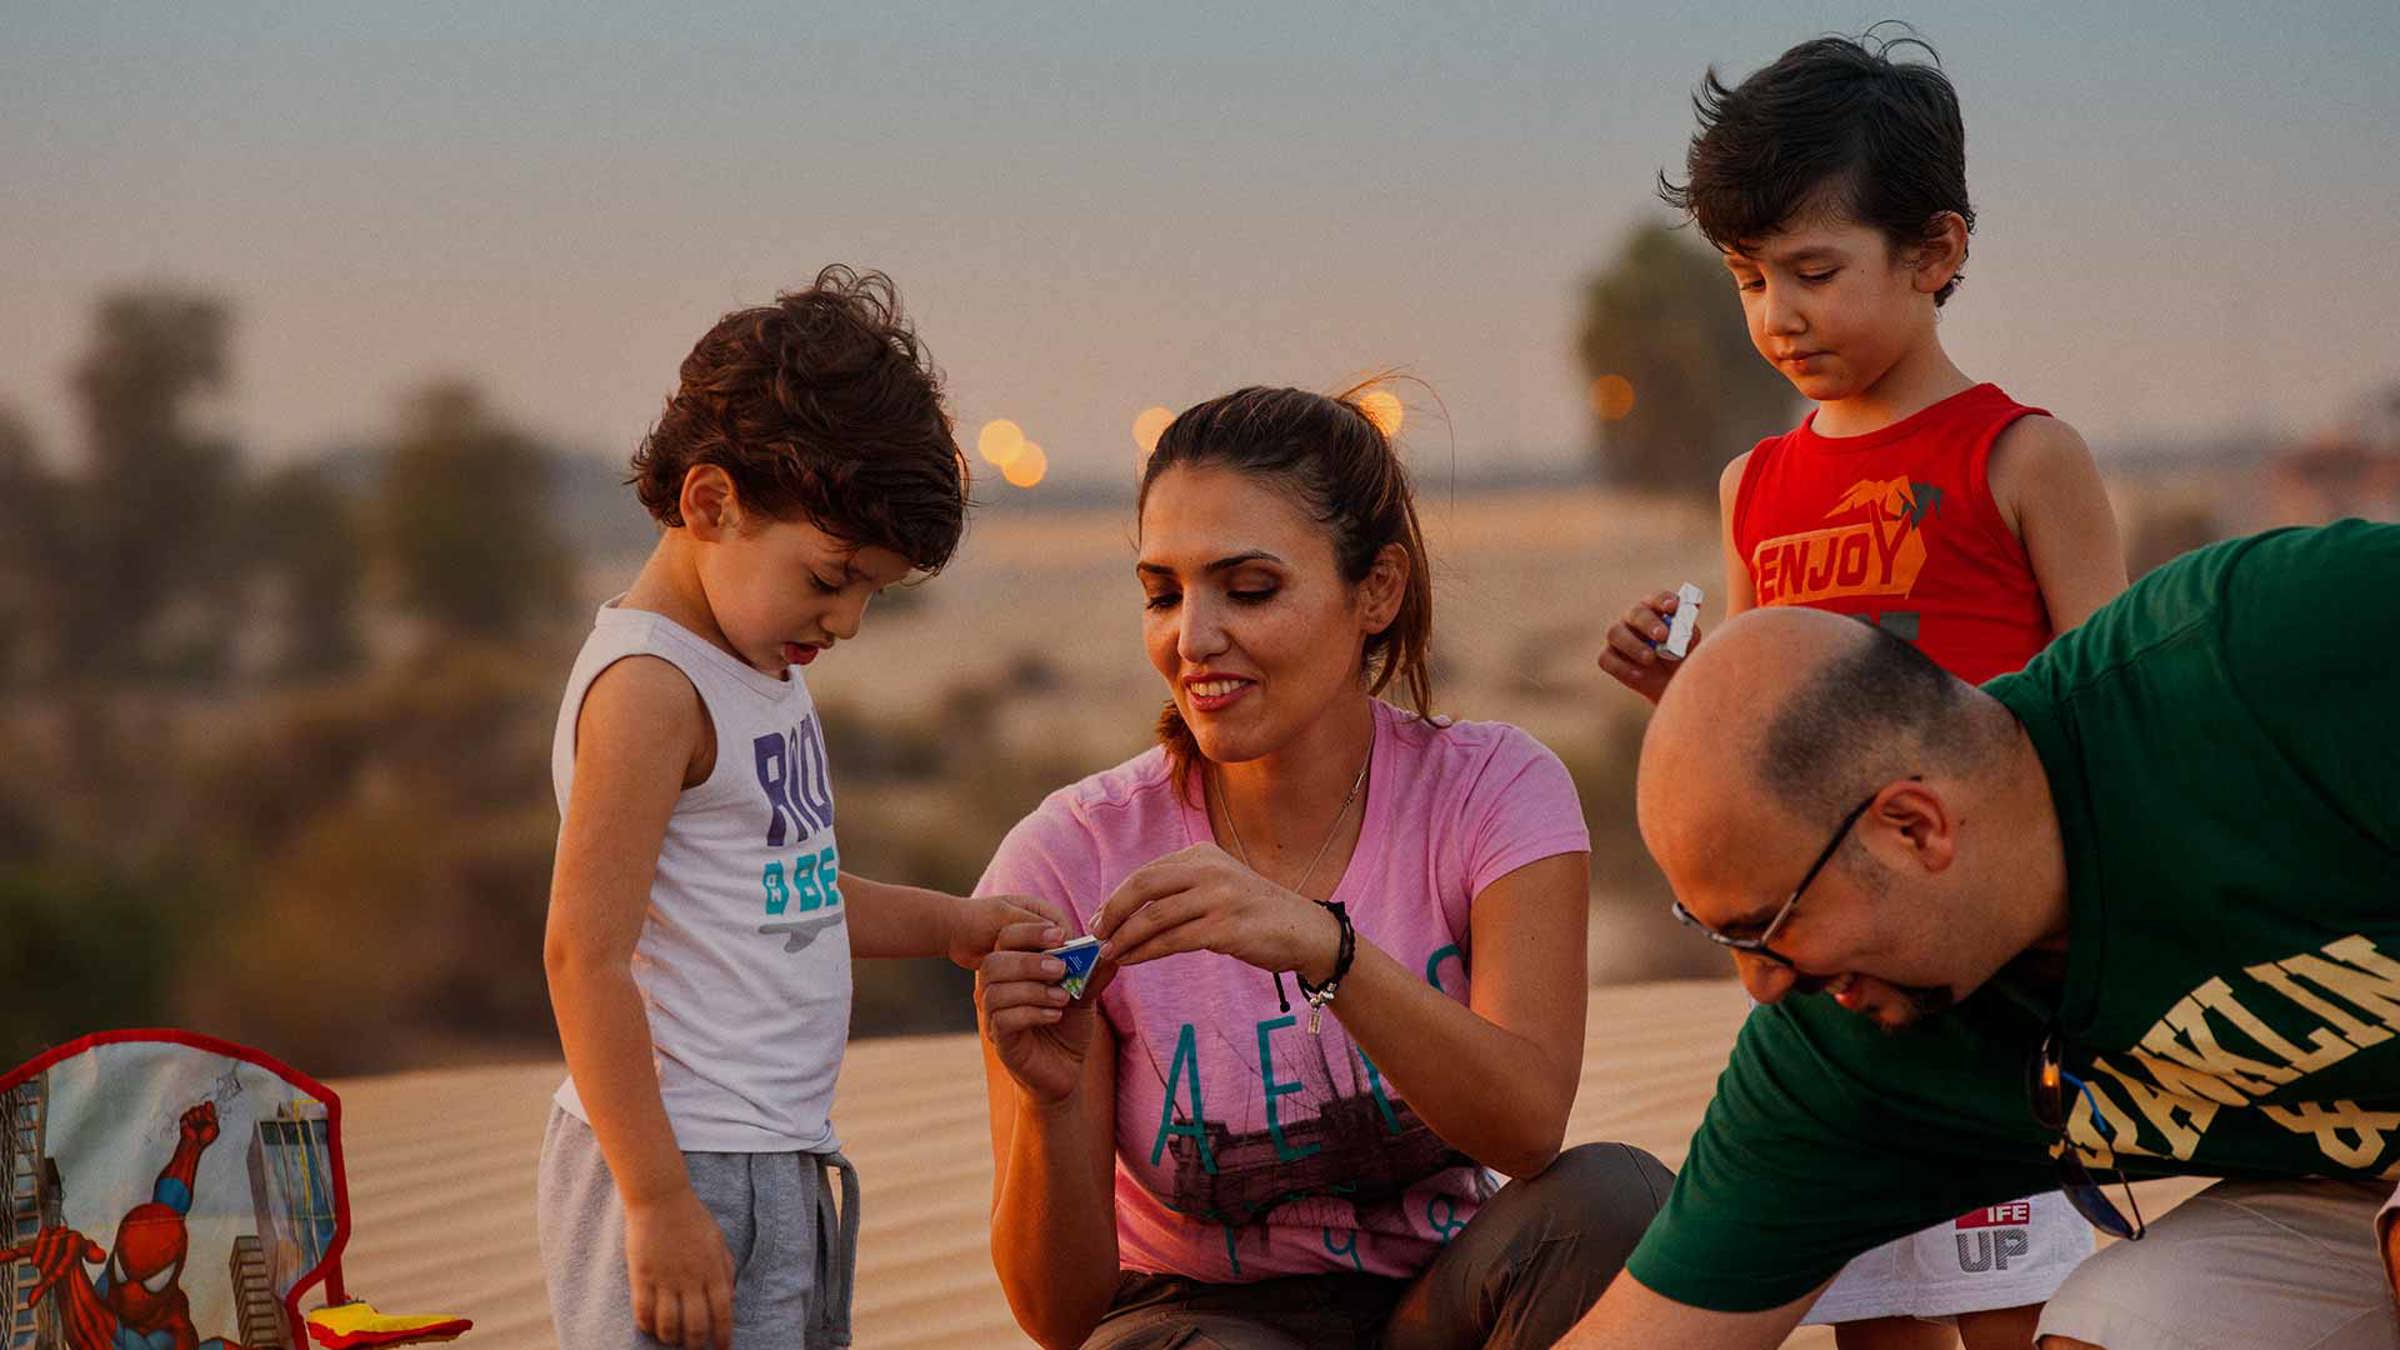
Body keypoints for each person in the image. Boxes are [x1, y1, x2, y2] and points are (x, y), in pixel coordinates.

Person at [1597, 29, 2125, 1348]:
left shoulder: (2023, 457)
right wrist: (1688, 696)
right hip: (1832, 995)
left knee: (2024, 1321)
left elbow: (2118, 713)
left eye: (1815, 272)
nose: (1779, 313)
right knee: (1875, 1324)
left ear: (1936, 253)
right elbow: (1768, 738)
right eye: (1747, 278)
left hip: (2004, 1001)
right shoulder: (1753, 486)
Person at [1563, 519, 2400, 1350]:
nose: (1761, 984)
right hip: (2344, 1203)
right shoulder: (1845, 1044)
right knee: (2118, 1329)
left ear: (1915, 828)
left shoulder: (2271, 650)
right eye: (1719, 938)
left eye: (1768, 928)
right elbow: (1652, 1329)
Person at [973, 385, 1672, 1349]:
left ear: (1376, 590)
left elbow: (1527, 1129)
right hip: (1198, 1322)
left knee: (1619, 1201)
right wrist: (1050, 1108)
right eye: (1163, 593)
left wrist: (1325, 949)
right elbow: (1060, 1321)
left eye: (1248, 589)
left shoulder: (1496, 790)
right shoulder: (1066, 858)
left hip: (1441, 1304)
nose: (1193, 637)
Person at [537, 266, 1058, 1350]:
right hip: (678, 1165)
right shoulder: (649, 688)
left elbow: (789, 893)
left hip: (777, 1160)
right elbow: (581, 959)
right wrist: (656, 1201)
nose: (851, 621)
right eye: (830, 578)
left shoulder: (754, 668)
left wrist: (954, 928)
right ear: (712, 503)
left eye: (873, 589)